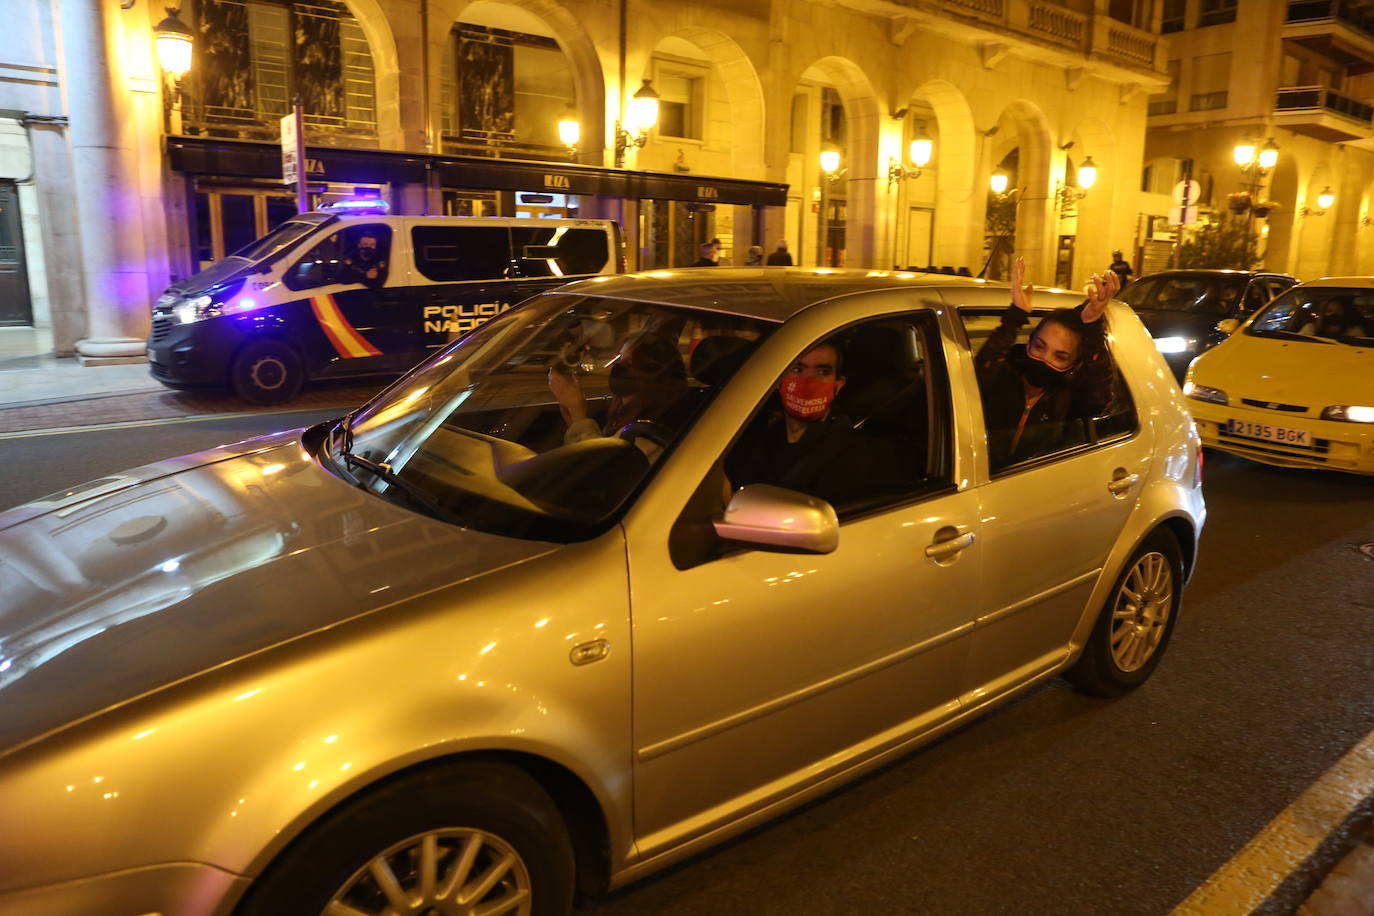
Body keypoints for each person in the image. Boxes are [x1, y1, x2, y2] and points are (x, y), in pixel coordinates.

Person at [974, 256, 1119, 469]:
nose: (1044, 359)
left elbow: (1099, 395)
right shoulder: (1001, 375)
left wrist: (1092, 326)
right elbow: (980, 371)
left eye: (1060, 356)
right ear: (1029, 342)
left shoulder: (1068, 397)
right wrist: (1014, 317)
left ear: (1073, 364)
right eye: (1039, 346)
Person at [725, 339, 900, 509]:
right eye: (798, 369)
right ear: (779, 380)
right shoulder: (752, 446)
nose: (809, 382)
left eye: (822, 372)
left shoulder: (860, 457)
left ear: (838, 385)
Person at [547, 332, 688, 448]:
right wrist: (574, 422)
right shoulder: (621, 414)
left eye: (630, 363)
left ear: (653, 374)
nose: (619, 368)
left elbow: (600, 470)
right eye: (619, 359)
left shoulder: (650, 431)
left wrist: (578, 414)